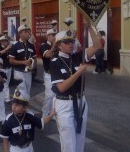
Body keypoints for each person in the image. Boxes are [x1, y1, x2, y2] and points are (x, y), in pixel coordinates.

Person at [50, 21, 100, 152]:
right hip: (65, 103)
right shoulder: (55, 62)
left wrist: (89, 27)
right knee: (68, 143)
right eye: (66, 42)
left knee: (80, 139)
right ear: (59, 45)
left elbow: (97, 46)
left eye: (72, 41)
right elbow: (61, 87)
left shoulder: (77, 57)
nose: (70, 44)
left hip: (80, 101)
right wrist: (78, 73)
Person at [9, 23, 37, 96]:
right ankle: (18, 106)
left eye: (28, 32)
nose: (28, 34)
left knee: (27, 92)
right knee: (21, 93)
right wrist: (23, 62)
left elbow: (34, 58)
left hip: (28, 72)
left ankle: (25, 107)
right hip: (19, 72)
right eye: (25, 32)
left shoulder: (31, 45)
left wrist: (33, 65)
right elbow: (11, 60)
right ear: (20, 34)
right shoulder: (15, 46)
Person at [39, 28, 56, 118]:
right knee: (49, 94)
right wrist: (54, 46)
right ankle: (45, 112)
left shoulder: (57, 46)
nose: (54, 37)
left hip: (56, 74)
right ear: (48, 36)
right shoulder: (44, 45)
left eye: (55, 35)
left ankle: (52, 113)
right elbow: (47, 55)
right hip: (48, 74)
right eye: (52, 35)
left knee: (55, 95)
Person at [0, 35, 12, 102]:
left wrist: (8, 48)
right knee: (4, 83)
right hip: (2, 68)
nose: (4, 42)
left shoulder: (9, 48)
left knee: (6, 83)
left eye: (5, 41)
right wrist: (6, 49)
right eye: (3, 41)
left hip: (9, 68)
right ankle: (6, 98)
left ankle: (3, 96)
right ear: (1, 42)